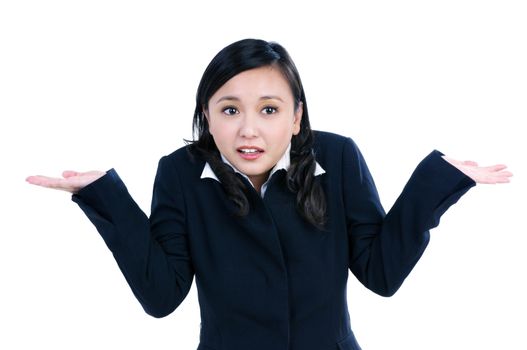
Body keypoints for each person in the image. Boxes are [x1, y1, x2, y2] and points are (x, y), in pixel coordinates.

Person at [26, 38, 513, 350]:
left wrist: (434, 186)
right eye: (231, 110)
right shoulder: (179, 174)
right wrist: (104, 198)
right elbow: (161, 296)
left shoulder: (337, 158)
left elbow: (381, 274)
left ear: (297, 116)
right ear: (207, 117)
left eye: (270, 109)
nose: (249, 130)